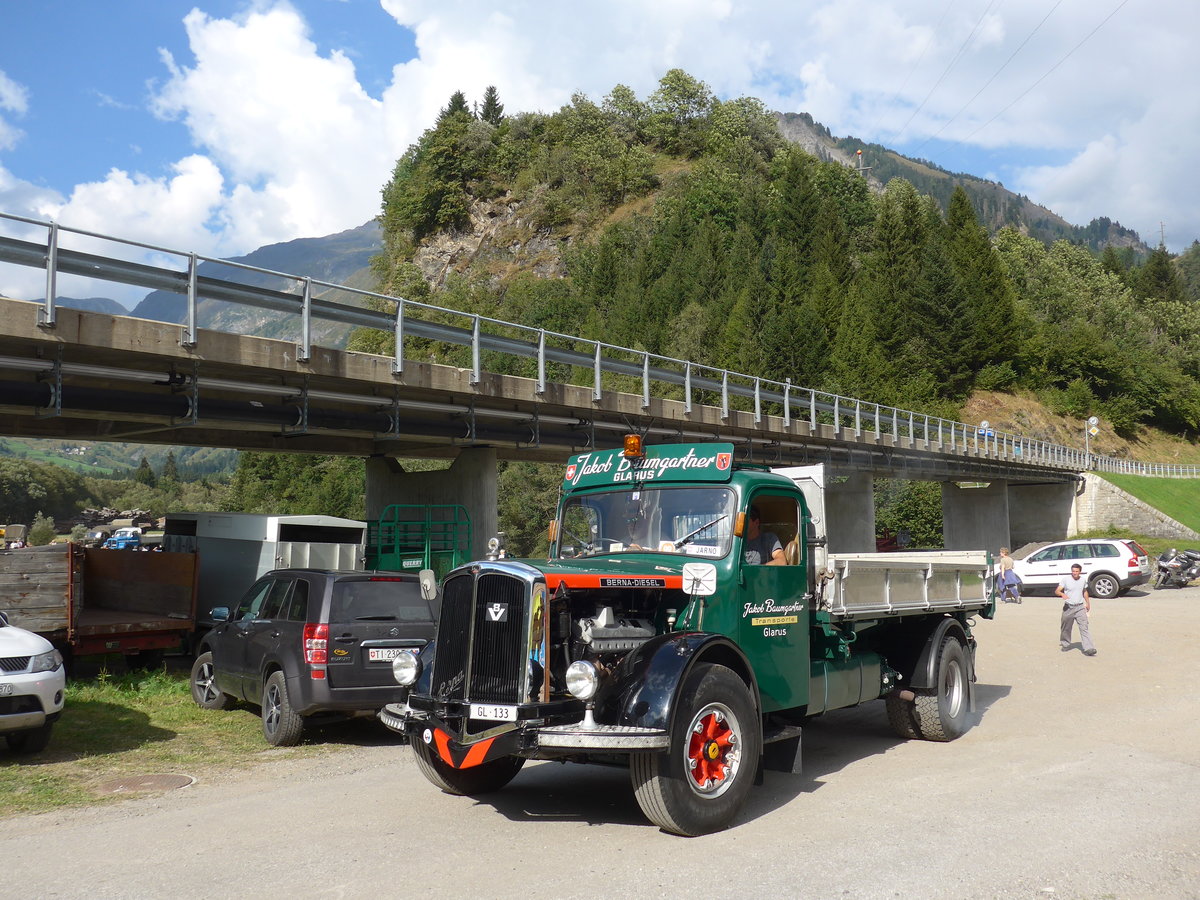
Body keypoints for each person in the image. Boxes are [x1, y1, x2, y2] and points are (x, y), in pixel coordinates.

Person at [1056, 563, 1096, 655]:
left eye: (1077, 571)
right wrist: (1062, 594)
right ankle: (1065, 644)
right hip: (1068, 607)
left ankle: (1089, 648)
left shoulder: (1082, 580)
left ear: (1080, 572)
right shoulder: (1065, 580)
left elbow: (1084, 591)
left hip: (1080, 607)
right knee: (1066, 628)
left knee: (1084, 627)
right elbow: (1057, 590)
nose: (1074, 573)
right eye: (1073, 571)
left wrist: (1088, 603)